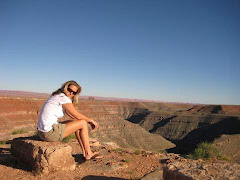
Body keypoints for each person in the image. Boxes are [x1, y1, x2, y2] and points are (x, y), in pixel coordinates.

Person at [37, 80, 102, 160]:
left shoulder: (57, 96)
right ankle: (89, 153)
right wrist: (91, 121)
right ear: (65, 87)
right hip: (49, 133)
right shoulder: (63, 98)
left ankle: (85, 153)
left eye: (74, 92)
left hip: (42, 133)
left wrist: (81, 120)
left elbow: (73, 116)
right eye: (69, 90)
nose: (71, 93)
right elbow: (77, 115)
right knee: (83, 123)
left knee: (77, 122)